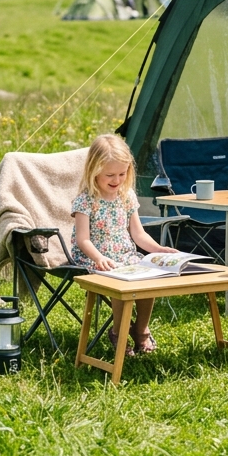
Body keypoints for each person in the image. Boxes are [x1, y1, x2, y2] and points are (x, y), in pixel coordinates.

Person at [70, 134, 171, 357]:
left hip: (125, 255)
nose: (117, 180)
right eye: (110, 175)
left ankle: (141, 329)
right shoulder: (86, 200)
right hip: (94, 257)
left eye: (122, 174)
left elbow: (138, 234)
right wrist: (98, 257)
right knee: (119, 279)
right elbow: (82, 239)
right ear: (94, 171)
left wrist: (160, 250)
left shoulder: (126, 196)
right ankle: (118, 332)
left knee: (150, 277)